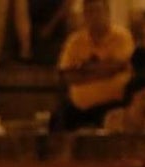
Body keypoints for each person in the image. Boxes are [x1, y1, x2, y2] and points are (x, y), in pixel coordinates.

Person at [53, 0, 134, 130]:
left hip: (112, 104)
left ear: (107, 13)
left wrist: (83, 70)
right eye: (89, 12)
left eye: (97, 11)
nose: (93, 16)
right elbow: (67, 76)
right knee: (57, 120)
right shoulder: (75, 41)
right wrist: (103, 70)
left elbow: (116, 66)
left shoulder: (122, 37)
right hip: (77, 107)